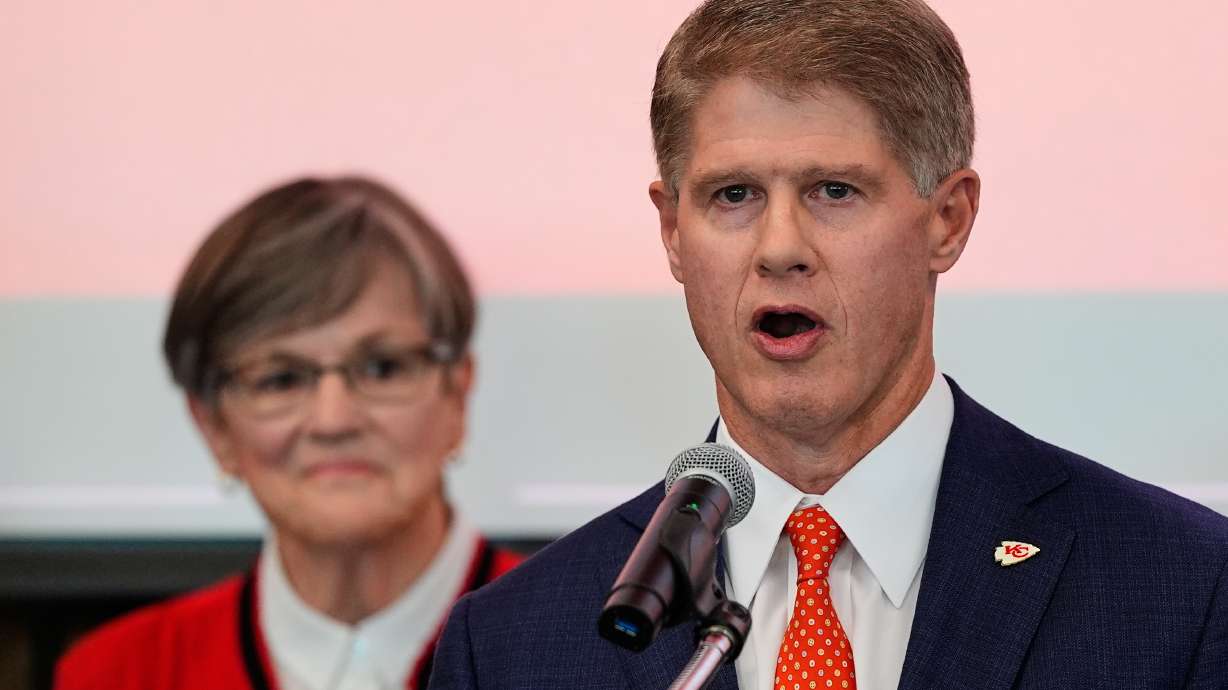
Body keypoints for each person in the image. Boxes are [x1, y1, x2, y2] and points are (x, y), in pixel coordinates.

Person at [428, 1, 1228, 688]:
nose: (780, 247)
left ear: (947, 220)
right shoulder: (509, 646)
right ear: (673, 231)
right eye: (733, 195)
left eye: (834, 191)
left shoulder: (1181, 590)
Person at [55, 176, 522, 690]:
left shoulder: (600, 646)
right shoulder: (119, 674)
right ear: (214, 428)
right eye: (281, 379)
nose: (334, 420)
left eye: (383, 368)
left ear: (457, 393)